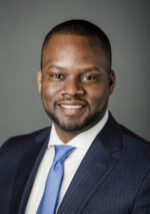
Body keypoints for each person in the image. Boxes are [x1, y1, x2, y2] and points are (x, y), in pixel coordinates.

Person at [0, 19, 150, 214]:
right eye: (57, 76)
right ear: (40, 80)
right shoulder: (10, 154)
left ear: (110, 83)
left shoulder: (144, 169)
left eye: (88, 77)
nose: (71, 91)